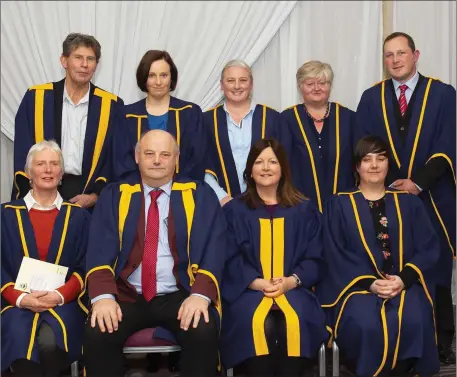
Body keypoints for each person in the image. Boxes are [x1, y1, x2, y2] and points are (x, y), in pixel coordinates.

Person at [81, 129, 227, 377]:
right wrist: (104, 297)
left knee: (202, 329)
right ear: (137, 156)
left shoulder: (199, 194)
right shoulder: (115, 195)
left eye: (165, 154)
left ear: (176, 158)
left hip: (180, 294)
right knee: (99, 330)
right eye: (149, 154)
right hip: (127, 294)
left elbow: (215, 247)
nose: (157, 160)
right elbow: (98, 249)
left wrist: (200, 295)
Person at [356, 32, 456, 363]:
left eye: (401, 53)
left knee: (436, 266)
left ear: (416, 54)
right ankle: (395, 340)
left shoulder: (443, 94)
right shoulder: (372, 97)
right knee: (391, 265)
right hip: (385, 198)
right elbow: (364, 146)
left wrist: (418, 183)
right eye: (388, 55)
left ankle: (443, 340)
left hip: (431, 197)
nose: (395, 60)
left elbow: (449, 143)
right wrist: (383, 184)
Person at [317, 136, 441, 377]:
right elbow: (334, 252)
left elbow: (428, 246)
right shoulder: (339, 204)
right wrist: (370, 283)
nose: (374, 165)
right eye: (367, 159)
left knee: (414, 316)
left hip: (403, 283)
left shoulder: (409, 203)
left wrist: (403, 279)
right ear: (357, 166)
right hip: (356, 286)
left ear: (388, 164)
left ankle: (404, 369)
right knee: (366, 323)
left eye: (380, 159)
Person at [221, 138, 328, 377]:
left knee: (295, 321)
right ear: (250, 170)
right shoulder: (234, 211)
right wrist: (256, 282)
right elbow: (227, 256)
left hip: (295, 290)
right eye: (259, 162)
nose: (266, 168)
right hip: (247, 291)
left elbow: (317, 256)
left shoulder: (304, 209)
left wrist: (291, 281)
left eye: (272, 161)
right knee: (258, 324)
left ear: (283, 169)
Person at [1, 140, 90, 377]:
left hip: (64, 303)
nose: (48, 170)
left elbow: (85, 267)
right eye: (41, 164)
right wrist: (21, 298)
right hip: (15, 303)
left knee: (50, 343)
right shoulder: (6, 215)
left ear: (61, 173)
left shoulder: (79, 217)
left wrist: (60, 295)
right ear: (29, 173)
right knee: (20, 341)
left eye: (54, 164)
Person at [12, 33, 125, 209]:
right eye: (78, 57)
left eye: (91, 59)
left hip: (89, 194)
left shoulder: (111, 106)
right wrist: (36, 191)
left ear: (96, 65)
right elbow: (23, 150)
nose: (84, 65)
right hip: (41, 192)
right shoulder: (36, 99)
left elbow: (115, 159)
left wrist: (95, 195)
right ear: (64, 61)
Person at [114, 50, 206, 183]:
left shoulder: (190, 113)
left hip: (182, 192)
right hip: (137, 194)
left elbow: (196, 160)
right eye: (151, 75)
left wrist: (175, 189)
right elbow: (121, 162)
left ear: (171, 78)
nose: (158, 82)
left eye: (163, 75)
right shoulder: (126, 116)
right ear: (143, 78)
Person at [204, 59, 285, 206]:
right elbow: (203, 165)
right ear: (222, 85)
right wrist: (222, 197)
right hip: (220, 204)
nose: (237, 86)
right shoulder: (207, 120)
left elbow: (281, 163)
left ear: (251, 84)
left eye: (243, 80)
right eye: (230, 81)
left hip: (265, 203)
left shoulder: (272, 118)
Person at [281, 60, 356, 212]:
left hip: (344, 206)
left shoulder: (348, 118)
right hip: (299, 207)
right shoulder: (287, 119)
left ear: (330, 85)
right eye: (310, 84)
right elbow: (282, 163)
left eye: (322, 83)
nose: (316, 88)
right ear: (300, 87)